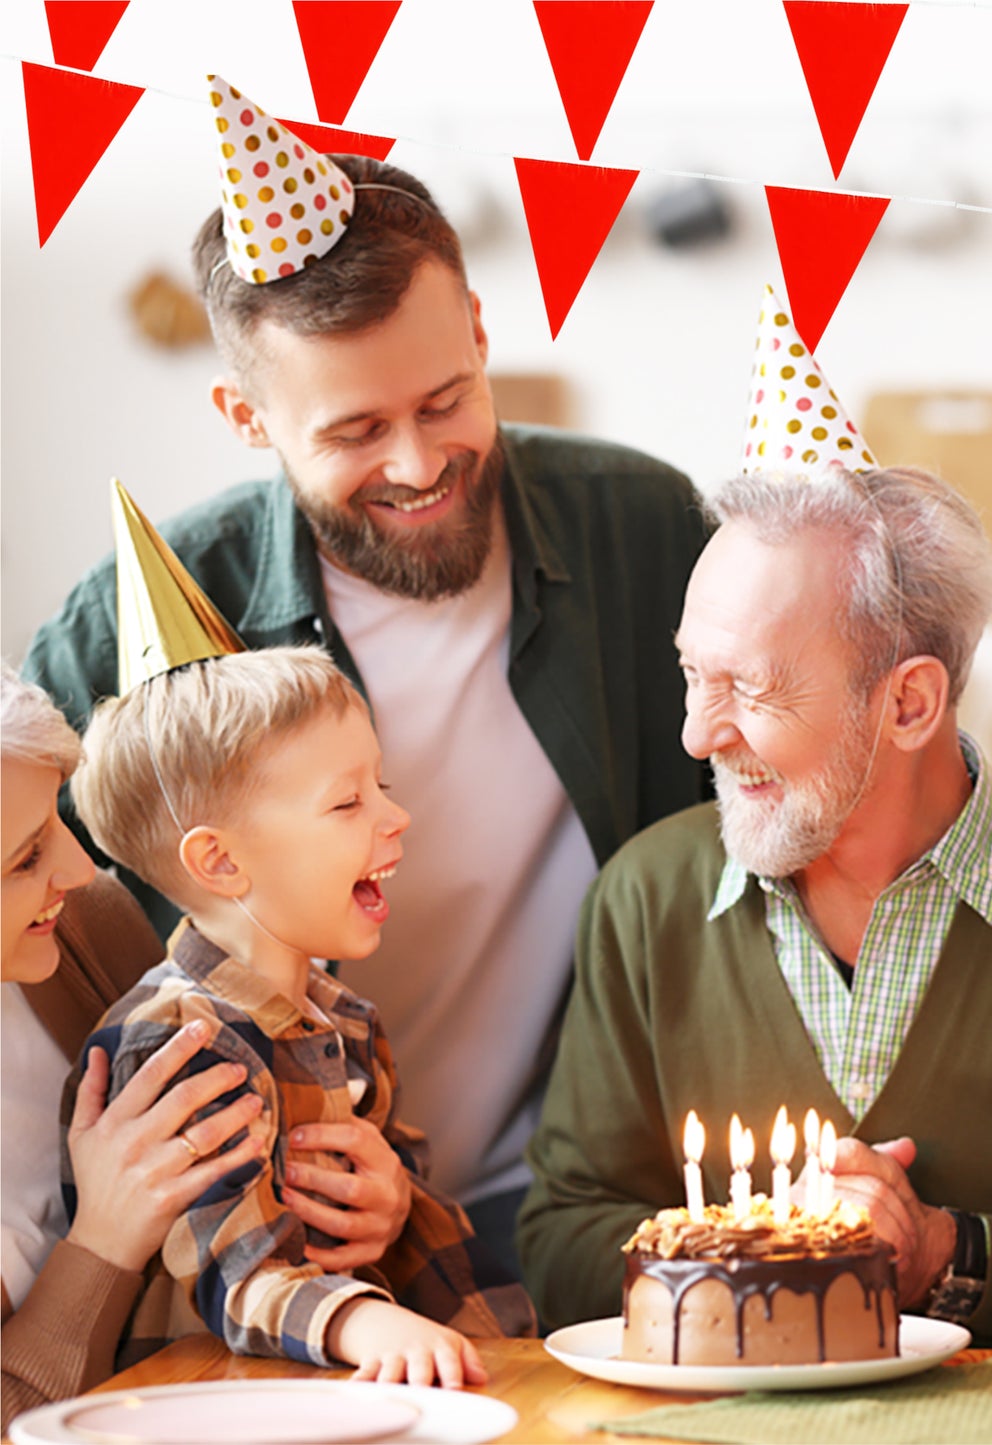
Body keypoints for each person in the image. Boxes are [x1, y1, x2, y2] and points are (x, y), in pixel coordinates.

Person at [23, 93, 711, 1275]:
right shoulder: (137, 618)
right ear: (246, 416)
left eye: (444, 400)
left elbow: (801, 756)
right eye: (354, 429)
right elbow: (32, 901)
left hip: (577, 1202)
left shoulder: (639, 528)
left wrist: (976, 797)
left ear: (481, 330)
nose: (417, 461)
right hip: (270, 1234)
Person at [515, 465, 992, 1347]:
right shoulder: (641, 902)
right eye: (692, 671)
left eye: (750, 688)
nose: (696, 731)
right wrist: (774, 1263)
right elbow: (559, 1240)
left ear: (908, 702)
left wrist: (951, 1255)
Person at [66, 645, 501, 1382]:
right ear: (220, 862)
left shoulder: (348, 1022)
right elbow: (234, 1269)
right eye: (347, 801)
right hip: (204, 1412)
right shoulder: (177, 1043)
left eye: (381, 783)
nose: (396, 814)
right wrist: (360, 1319)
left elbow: (416, 1238)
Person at [1, 666, 262, 1431]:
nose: (78, 870)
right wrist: (103, 1244)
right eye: (24, 858)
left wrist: (372, 1199)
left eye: (58, 821)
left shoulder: (86, 925)